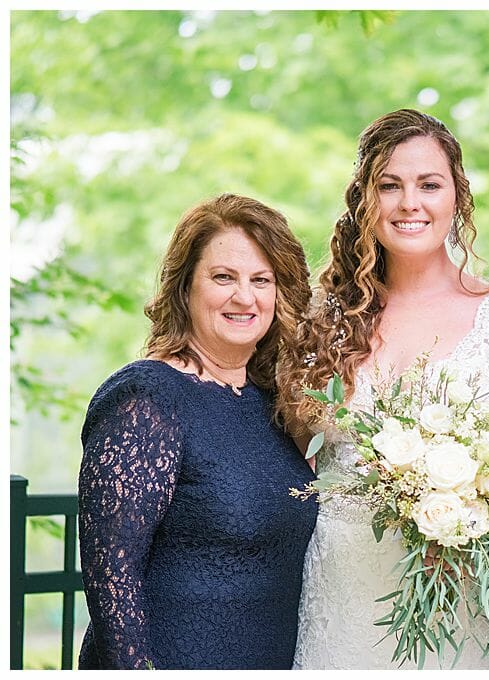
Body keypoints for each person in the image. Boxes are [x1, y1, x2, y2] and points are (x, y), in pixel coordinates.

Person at [276, 108, 489, 669]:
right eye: (389, 186)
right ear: (364, 199)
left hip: (460, 601)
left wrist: (464, 514)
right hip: (341, 592)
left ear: (458, 197)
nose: (410, 203)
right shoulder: (320, 320)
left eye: (429, 185)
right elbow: (286, 456)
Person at [77, 194, 318, 669]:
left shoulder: (272, 404)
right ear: (185, 286)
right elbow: (112, 579)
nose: (244, 297)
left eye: (261, 280)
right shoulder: (146, 397)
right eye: (223, 277)